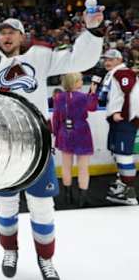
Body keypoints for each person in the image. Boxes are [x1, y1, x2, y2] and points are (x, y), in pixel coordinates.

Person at [0, 0, 104, 280]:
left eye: (11, 31)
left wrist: (92, 31)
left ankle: (46, 259)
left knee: (42, 207)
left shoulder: (41, 56)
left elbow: (82, 58)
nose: (5, 35)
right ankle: (9, 250)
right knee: (5, 204)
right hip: (1, 148)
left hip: (36, 146)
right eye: (1, 31)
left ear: (23, 36)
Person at [99, 49, 139, 205]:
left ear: (119, 60)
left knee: (123, 155)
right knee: (117, 153)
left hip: (124, 120)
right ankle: (122, 185)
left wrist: (120, 112)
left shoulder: (122, 73)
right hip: (120, 121)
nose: (107, 62)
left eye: (111, 59)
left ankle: (129, 193)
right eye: (105, 59)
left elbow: (131, 94)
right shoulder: (115, 73)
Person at [52, 73, 98, 207]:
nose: (82, 82)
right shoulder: (83, 97)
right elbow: (93, 107)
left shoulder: (59, 97)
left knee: (66, 167)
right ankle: (82, 199)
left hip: (64, 132)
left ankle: (67, 196)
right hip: (81, 132)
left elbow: (56, 117)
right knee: (83, 168)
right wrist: (93, 93)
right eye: (80, 80)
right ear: (75, 82)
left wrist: (56, 133)